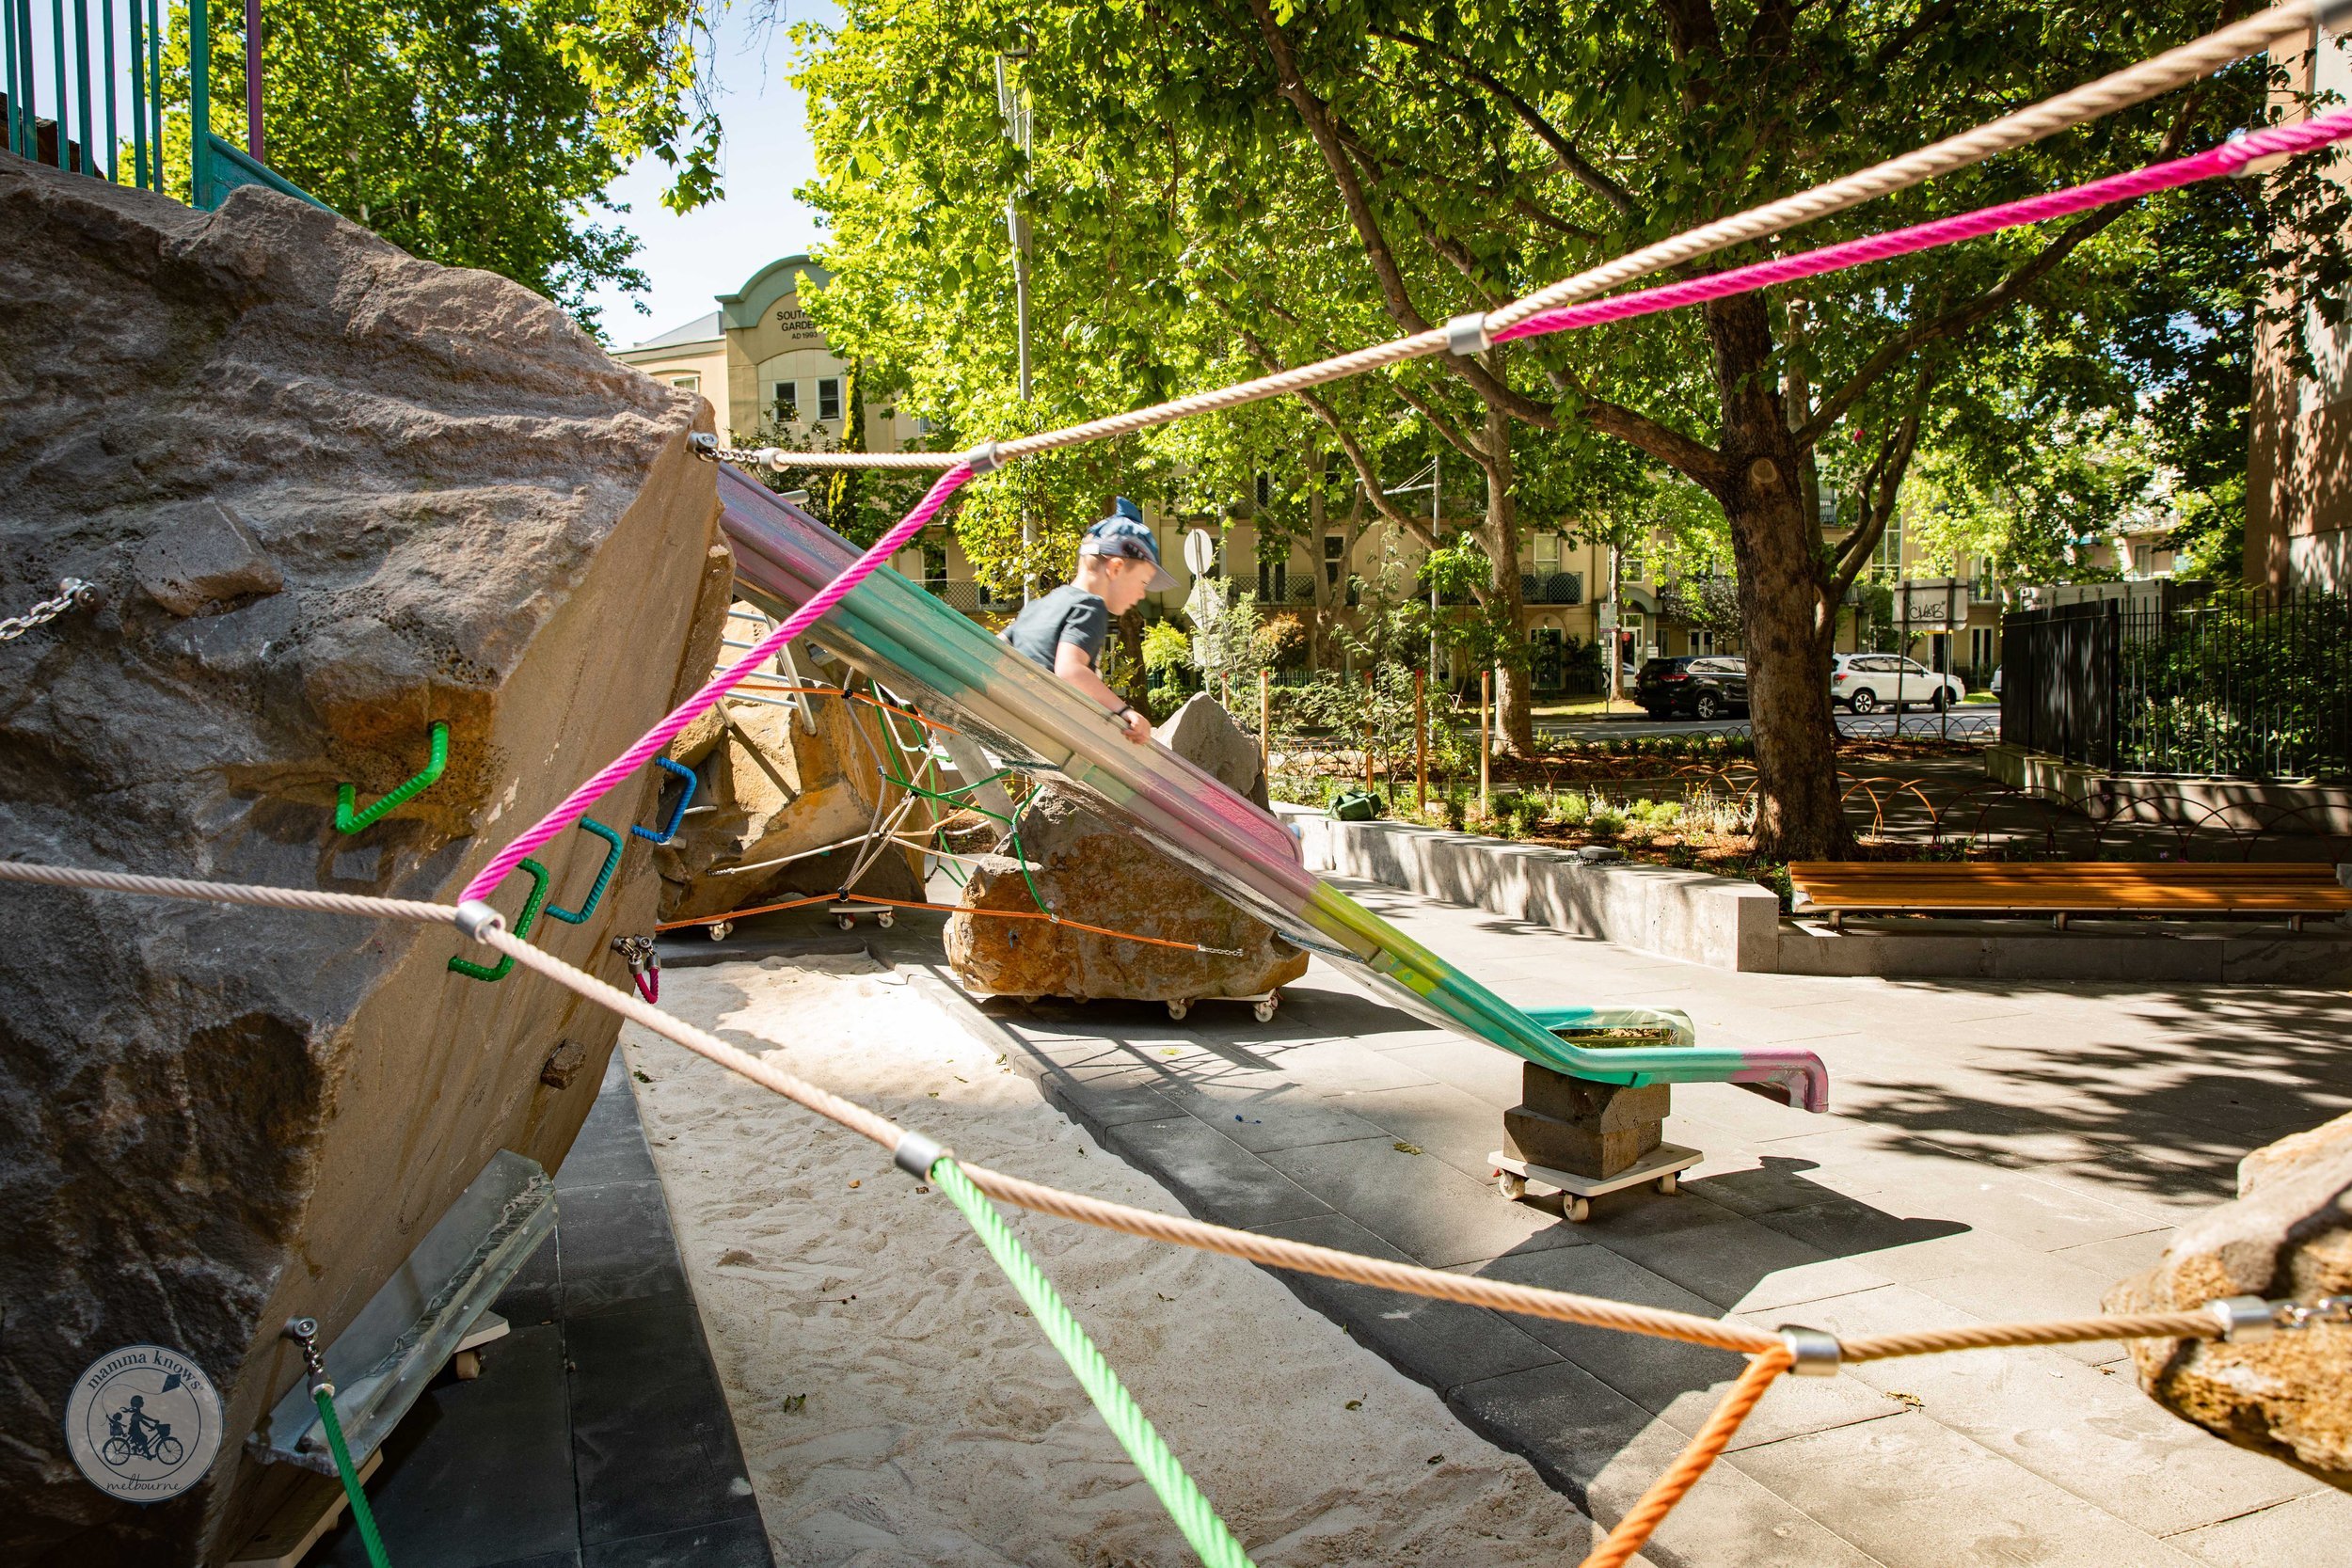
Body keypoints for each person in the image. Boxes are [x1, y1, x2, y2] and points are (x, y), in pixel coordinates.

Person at [1001, 499, 1176, 743]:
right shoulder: (1091, 606)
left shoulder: (1044, 603)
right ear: (1115, 568)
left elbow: (999, 645)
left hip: (1013, 714)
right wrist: (1124, 711)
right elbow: (1070, 670)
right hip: (1051, 725)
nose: (1142, 595)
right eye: (1143, 583)